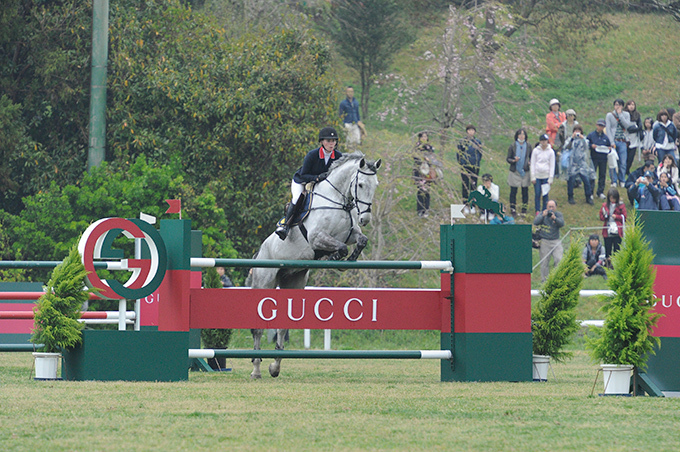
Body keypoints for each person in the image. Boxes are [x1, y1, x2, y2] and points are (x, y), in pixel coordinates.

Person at [275, 127, 342, 240]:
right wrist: (316, 178)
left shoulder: (339, 157)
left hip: (321, 186)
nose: (331, 143)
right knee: (297, 198)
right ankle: (285, 226)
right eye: (328, 141)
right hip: (302, 181)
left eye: (333, 141)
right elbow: (303, 175)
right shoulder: (312, 155)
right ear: (321, 142)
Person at [533, 199, 564, 282]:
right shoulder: (543, 214)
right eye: (549, 206)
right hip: (544, 241)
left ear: (555, 207)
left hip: (555, 240)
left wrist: (555, 218)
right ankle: (544, 280)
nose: (551, 208)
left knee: (559, 259)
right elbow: (535, 222)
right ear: (546, 207)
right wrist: (542, 215)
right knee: (544, 262)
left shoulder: (558, 214)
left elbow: (562, 224)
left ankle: (557, 278)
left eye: (553, 207)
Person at [563, 124, 594, 205]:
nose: (577, 133)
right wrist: (572, 139)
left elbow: (587, 147)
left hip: (582, 163)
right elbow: (566, 147)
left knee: (586, 181)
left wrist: (582, 138)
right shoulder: (570, 139)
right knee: (571, 180)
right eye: (576, 131)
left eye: (579, 131)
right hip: (572, 163)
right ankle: (570, 196)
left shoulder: (584, 139)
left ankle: (588, 196)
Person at [605, 99, 633, 187]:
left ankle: (622, 180)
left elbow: (627, 125)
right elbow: (608, 129)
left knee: (623, 162)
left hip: (623, 141)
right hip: (614, 140)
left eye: (620, 105)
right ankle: (613, 181)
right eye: (616, 105)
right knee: (612, 161)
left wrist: (620, 115)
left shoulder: (626, 114)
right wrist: (611, 141)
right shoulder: (609, 115)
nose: (618, 107)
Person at [506, 128, 532, 216]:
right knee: (513, 191)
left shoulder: (528, 146)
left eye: (523, 134)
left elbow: (531, 156)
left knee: (525, 191)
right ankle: (513, 209)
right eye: (520, 134)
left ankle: (524, 210)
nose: (522, 136)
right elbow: (508, 158)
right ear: (517, 136)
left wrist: (530, 162)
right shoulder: (513, 145)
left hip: (525, 170)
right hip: (515, 171)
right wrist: (514, 160)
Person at [457, 124, 483, 214]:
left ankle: (472, 205)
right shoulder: (462, 141)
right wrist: (461, 163)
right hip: (465, 166)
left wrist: (477, 161)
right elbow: (459, 153)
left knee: (473, 186)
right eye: (469, 130)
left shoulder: (477, 141)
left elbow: (481, 153)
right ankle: (465, 205)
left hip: (475, 166)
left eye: (472, 130)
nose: (471, 132)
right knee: (465, 185)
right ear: (467, 131)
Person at [413, 131, 439, 217]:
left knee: (427, 190)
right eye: (423, 137)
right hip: (419, 170)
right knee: (420, 190)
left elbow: (433, 158)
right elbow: (415, 157)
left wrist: (429, 160)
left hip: (428, 171)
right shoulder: (417, 147)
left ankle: (426, 209)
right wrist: (422, 158)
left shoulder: (430, 147)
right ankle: (420, 209)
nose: (424, 138)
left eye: (425, 137)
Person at [587, 118, 613, 200]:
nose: (600, 127)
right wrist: (592, 146)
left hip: (603, 159)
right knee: (592, 175)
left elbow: (609, 147)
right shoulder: (591, 135)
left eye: (602, 126)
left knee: (602, 175)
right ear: (596, 125)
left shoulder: (605, 137)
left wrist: (609, 149)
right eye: (599, 125)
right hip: (594, 158)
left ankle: (600, 192)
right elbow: (586, 144)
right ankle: (590, 192)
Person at [599, 187, 626, 262]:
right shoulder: (604, 205)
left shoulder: (621, 205)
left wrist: (616, 217)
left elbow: (624, 217)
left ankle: (616, 265)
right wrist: (605, 216)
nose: (612, 200)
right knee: (608, 248)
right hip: (607, 230)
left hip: (618, 230)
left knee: (617, 249)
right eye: (611, 198)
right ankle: (608, 265)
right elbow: (601, 217)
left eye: (614, 198)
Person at [530, 134, 555, 215]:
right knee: (537, 193)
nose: (544, 142)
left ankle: (545, 210)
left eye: (545, 141)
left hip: (546, 176)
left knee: (545, 194)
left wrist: (550, 177)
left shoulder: (551, 151)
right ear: (540, 141)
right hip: (537, 175)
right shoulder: (535, 151)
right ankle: (537, 210)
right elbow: (533, 163)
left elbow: (552, 165)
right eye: (542, 141)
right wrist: (532, 176)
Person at [555, 108, 579, 177]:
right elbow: (559, 137)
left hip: (575, 144)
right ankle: (566, 176)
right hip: (565, 145)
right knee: (564, 162)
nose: (570, 117)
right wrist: (559, 147)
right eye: (569, 115)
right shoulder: (563, 126)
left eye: (572, 115)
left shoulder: (577, 125)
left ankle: (577, 178)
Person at [546, 99, 566, 177]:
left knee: (562, 152)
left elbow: (565, 124)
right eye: (553, 105)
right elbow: (552, 126)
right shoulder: (549, 116)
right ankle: (555, 172)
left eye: (557, 105)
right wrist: (559, 125)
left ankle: (562, 171)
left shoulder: (563, 114)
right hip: (554, 137)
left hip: (562, 136)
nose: (555, 106)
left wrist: (558, 124)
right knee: (554, 153)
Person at [624, 100, 642, 175]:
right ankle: (623, 171)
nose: (631, 106)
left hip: (634, 139)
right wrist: (634, 128)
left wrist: (636, 129)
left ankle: (627, 170)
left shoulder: (637, 115)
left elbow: (640, 126)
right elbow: (627, 127)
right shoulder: (623, 114)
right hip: (625, 138)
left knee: (631, 157)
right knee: (625, 156)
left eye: (633, 105)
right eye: (630, 105)